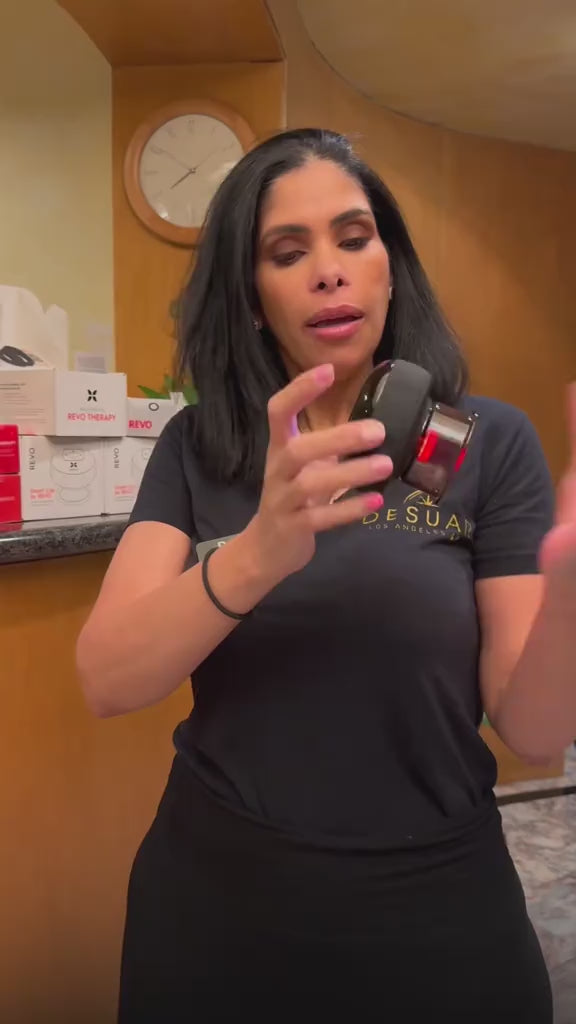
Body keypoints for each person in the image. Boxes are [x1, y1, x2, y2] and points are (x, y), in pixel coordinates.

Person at [77, 129, 576, 1022]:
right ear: (251, 298)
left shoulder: (485, 442)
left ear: (391, 270)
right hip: (216, 909)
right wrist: (257, 553)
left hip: (441, 907)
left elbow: (535, 731)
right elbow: (107, 679)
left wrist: (570, 597)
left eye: (353, 238)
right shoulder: (198, 448)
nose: (330, 272)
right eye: (287, 252)